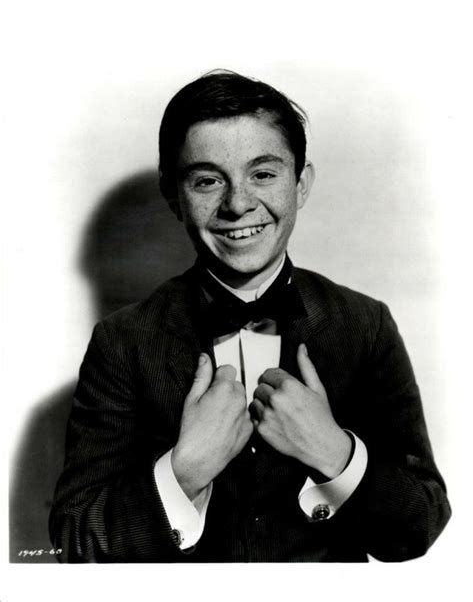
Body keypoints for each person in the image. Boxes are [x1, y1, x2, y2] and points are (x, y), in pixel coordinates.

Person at [49, 71, 451, 562]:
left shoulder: (366, 325)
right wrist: (185, 470)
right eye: (207, 180)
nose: (238, 204)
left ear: (301, 183)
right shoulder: (123, 340)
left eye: (263, 173)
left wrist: (333, 452)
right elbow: (75, 542)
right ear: (173, 195)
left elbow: (418, 528)